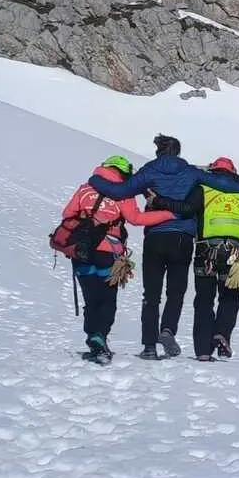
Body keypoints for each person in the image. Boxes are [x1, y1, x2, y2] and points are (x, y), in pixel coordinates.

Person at [86, 134, 239, 360]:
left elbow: (120, 191)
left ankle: (149, 346)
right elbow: (223, 184)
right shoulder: (190, 171)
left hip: (155, 236)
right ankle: (168, 329)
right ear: (177, 151)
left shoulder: (149, 171)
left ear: (159, 152)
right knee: (176, 292)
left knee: (151, 294)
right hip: (182, 238)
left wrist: (95, 181)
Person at [55, 155, 176, 364]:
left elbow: (67, 213)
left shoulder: (85, 188)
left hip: (81, 251)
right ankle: (99, 336)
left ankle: (93, 336)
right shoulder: (123, 192)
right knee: (107, 298)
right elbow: (136, 219)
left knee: (91, 298)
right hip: (108, 251)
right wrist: (168, 214)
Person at [148, 156, 239, 361]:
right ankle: (222, 333)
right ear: (233, 172)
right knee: (230, 298)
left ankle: (203, 351)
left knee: (204, 300)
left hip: (206, 252)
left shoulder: (204, 188)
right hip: (234, 254)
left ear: (213, 171)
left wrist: (158, 201)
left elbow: (185, 209)